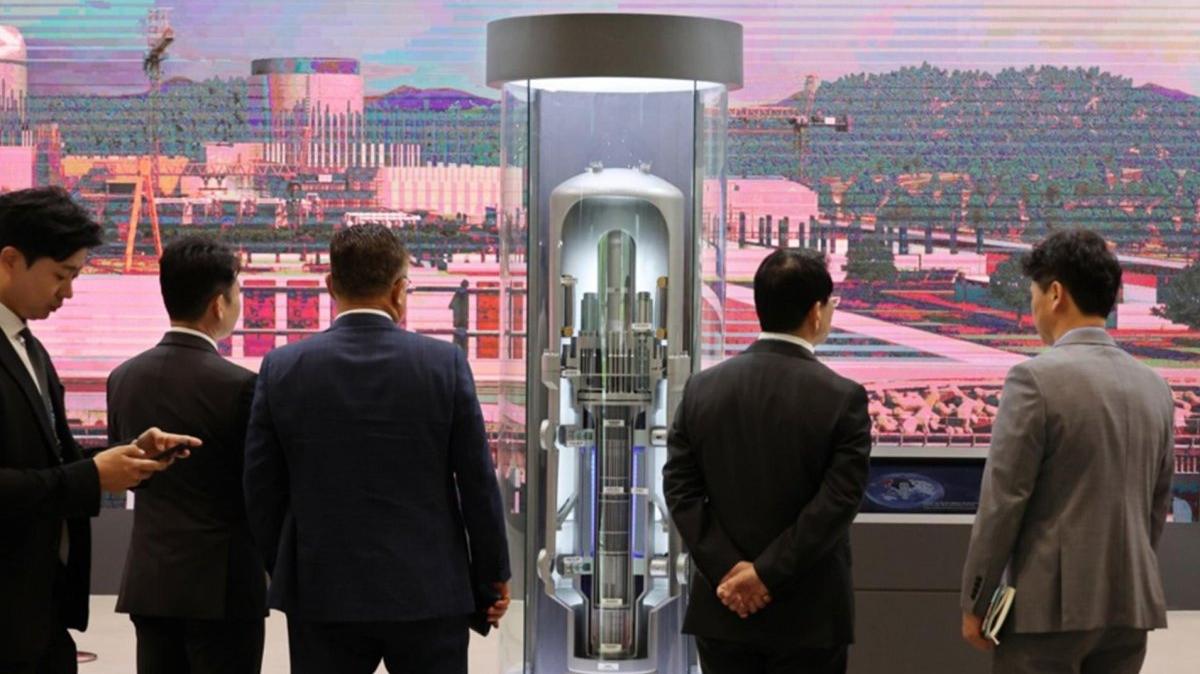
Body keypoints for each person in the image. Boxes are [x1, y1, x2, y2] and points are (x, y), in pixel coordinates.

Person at [243, 224, 511, 674]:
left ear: (330, 286)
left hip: (323, 590)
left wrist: (290, 565)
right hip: (430, 591)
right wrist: (491, 578)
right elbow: (477, 483)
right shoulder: (444, 364)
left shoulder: (283, 368)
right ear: (399, 290)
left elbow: (261, 488)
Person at [0, 186, 200, 674]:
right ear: (9, 260)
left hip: (38, 614)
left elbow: (52, 462)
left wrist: (129, 457)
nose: (68, 294)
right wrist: (92, 478)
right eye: (61, 276)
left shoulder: (30, 348)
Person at [960, 229, 1175, 674]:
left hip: (1047, 609)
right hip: (1129, 606)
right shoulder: (1156, 388)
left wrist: (976, 600)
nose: (1033, 308)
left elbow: (1003, 503)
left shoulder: (1033, 380)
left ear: (1055, 293)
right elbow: (1155, 507)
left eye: (1034, 294)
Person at [663, 249, 872, 674]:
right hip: (808, 616)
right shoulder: (842, 398)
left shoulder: (702, 390)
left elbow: (681, 490)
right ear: (816, 312)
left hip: (724, 610)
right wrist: (765, 574)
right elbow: (837, 503)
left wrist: (731, 573)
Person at [107, 236, 267, 674]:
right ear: (219, 304)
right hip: (223, 586)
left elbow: (125, 472)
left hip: (150, 582)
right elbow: (259, 484)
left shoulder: (123, 378)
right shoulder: (240, 386)